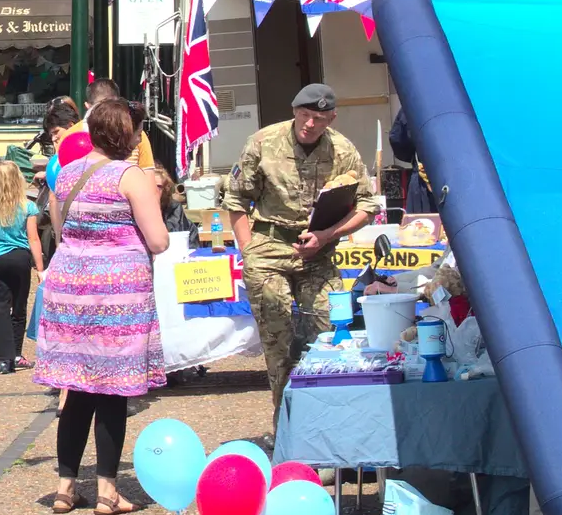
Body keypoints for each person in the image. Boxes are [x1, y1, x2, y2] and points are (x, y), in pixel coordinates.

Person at [37, 98, 169, 515]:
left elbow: (61, 232)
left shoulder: (67, 174)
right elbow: (159, 241)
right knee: (113, 390)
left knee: (76, 388)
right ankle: (108, 492)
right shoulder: (131, 176)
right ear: (125, 135)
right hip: (116, 295)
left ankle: (65, 487)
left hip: (69, 290)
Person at [223, 84, 381, 425]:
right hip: (269, 248)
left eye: (320, 118)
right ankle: (288, 427)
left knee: (330, 333)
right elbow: (236, 200)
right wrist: (248, 249)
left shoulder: (342, 150)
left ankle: (333, 424)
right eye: (306, 115)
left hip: (319, 253)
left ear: (331, 119)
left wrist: (328, 235)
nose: (310, 124)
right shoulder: (263, 142)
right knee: (279, 344)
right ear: (295, 112)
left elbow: (367, 206)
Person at [0, 161, 43, 375]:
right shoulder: (29, 206)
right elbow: (33, 239)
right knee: (18, 307)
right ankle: (17, 354)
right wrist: (40, 268)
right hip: (20, 257)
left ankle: (2, 360)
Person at [64, 79, 155, 170]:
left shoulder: (69, 136)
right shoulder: (135, 132)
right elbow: (148, 176)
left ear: (87, 106)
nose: (106, 116)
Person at [387, 108, 436, 214]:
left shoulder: (414, 103)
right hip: (464, 177)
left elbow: (397, 139)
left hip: (423, 176)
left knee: (424, 225)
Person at [155, 165, 198, 237]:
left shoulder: (173, 207)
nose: (154, 189)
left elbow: (175, 234)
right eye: (151, 185)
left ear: (165, 189)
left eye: (159, 186)